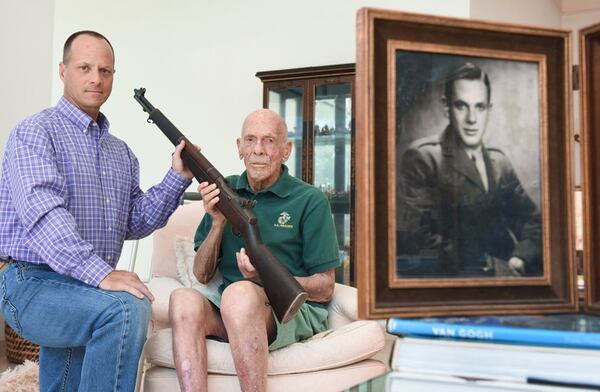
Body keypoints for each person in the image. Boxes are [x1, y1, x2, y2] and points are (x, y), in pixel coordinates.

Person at [0, 31, 194, 391]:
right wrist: (102, 275)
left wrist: (176, 177)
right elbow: (45, 216)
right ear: (62, 71)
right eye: (85, 67)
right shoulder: (34, 133)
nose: (96, 79)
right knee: (123, 308)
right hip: (31, 283)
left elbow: (135, 220)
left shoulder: (121, 153)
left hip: (83, 286)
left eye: (105, 71)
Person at [169, 109, 340, 392]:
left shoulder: (311, 200)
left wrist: (262, 278)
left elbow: (325, 287)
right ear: (239, 147)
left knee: (239, 293)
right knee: (182, 300)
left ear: (286, 150)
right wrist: (217, 223)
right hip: (233, 308)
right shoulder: (224, 189)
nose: (258, 150)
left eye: (269, 141)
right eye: (250, 140)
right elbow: (200, 274)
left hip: (289, 311)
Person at [397, 62, 541, 277]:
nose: (472, 119)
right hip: (446, 285)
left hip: (501, 285)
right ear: (447, 107)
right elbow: (418, 238)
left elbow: (532, 221)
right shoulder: (424, 158)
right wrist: (490, 266)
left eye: (480, 107)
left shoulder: (498, 162)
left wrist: (520, 257)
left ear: (489, 110)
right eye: (462, 106)